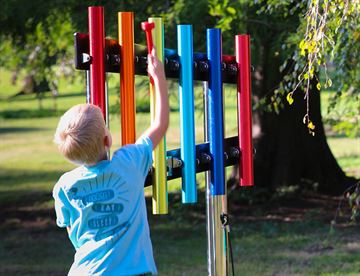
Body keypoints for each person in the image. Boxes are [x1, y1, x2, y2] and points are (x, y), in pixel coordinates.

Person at [53, 48, 169, 276]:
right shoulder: (129, 162)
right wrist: (159, 77)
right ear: (108, 139)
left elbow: (72, 231)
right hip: (135, 271)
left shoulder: (65, 186)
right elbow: (160, 125)